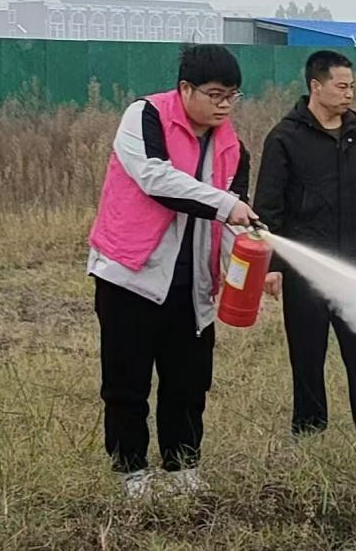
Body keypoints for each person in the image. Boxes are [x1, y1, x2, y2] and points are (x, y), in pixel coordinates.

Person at [87, 44, 256, 498]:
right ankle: (130, 469)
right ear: (185, 89)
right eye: (216, 95)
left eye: (233, 96)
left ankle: (183, 466)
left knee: (189, 381)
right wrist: (225, 205)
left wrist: (252, 265)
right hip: (132, 274)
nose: (225, 106)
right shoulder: (144, 117)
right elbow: (154, 178)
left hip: (193, 283)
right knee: (127, 380)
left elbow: (233, 221)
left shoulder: (234, 148)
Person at [254, 50, 356, 452]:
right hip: (305, 267)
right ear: (315, 86)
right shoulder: (284, 138)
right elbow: (269, 207)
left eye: (352, 86)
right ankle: (308, 432)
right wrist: (272, 265)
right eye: (341, 86)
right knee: (307, 351)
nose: (349, 94)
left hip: (353, 260)